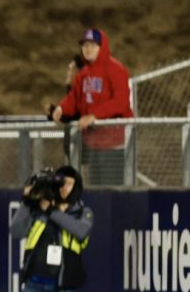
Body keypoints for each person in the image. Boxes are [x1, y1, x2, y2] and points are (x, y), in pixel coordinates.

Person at [52, 28, 132, 187]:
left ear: (102, 48)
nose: (88, 49)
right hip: (93, 144)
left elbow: (121, 101)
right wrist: (61, 108)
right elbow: (74, 99)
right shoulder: (83, 74)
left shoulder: (116, 69)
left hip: (113, 144)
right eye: (85, 45)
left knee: (112, 193)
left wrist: (94, 116)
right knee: (96, 190)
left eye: (93, 45)